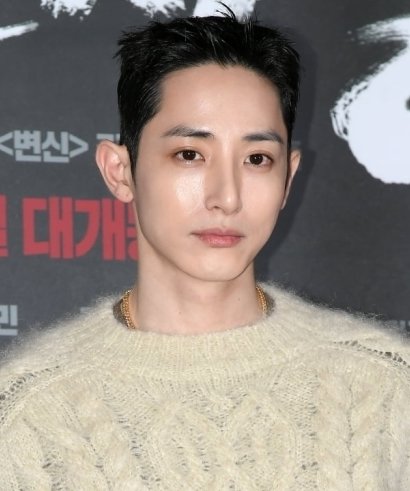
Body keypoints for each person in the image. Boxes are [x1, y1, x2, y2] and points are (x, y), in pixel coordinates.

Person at [1, 11, 409, 490]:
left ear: (288, 177)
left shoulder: (387, 388)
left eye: (257, 159)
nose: (227, 197)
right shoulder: (28, 415)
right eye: (190, 155)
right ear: (120, 171)